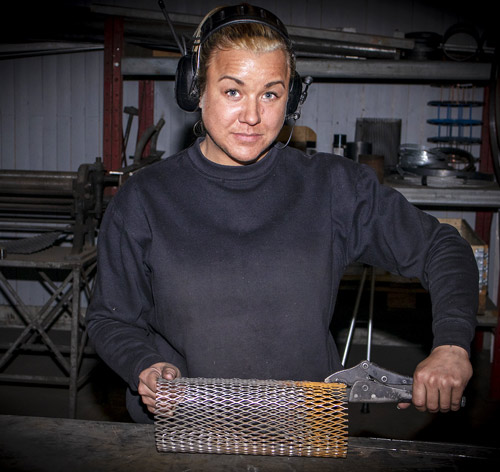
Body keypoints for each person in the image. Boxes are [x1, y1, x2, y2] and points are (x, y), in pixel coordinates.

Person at [86, 4, 478, 424]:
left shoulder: (332, 188)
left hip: (306, 432)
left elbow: (443, 248)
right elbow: (111, 318)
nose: (252, 116)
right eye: (233, 91)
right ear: (196, 90)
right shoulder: (145, 199)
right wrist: (144, 364)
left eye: (270, 94)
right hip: (185, 430)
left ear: (291, 98)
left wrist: (451, 346)